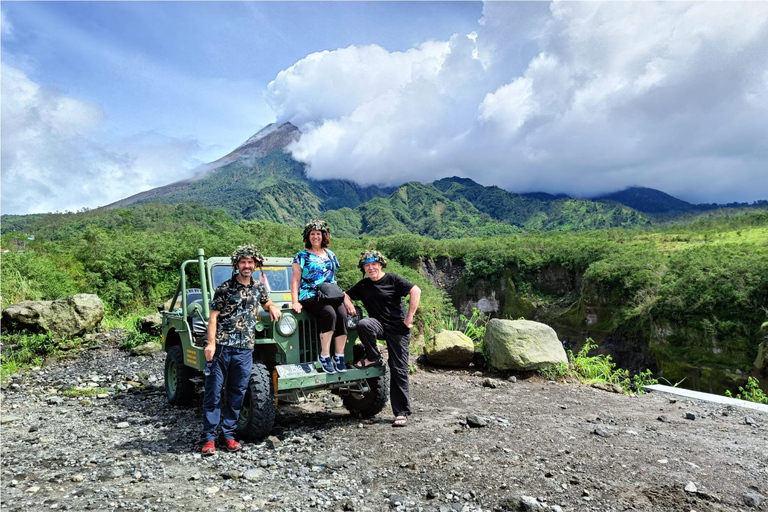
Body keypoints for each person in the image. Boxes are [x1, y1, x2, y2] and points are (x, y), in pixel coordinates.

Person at [202, 244, 281, 456]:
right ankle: (209, 439)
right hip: (222, 347)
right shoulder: (225, 288)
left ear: (255, 265)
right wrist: (210, 344)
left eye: (250, 262)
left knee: (237, 392)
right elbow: (213, 317)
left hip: (245, 348)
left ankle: (228, 435)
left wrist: (272, 307)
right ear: (237, 264)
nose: (247, 266)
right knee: (214, 392)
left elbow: (266, 301)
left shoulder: (258, 287)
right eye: (243, 262)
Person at [343, 250, 421, 427]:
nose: (371, 268)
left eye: (373, 265)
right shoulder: (364, 285)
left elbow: (415, 290)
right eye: (367, 266)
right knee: (363, 324)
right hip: (378, 326)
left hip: (397, 329)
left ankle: (401, 412)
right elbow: (345, 293)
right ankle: (373, 357)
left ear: (380, 265)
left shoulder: (393, 279)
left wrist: (409, 317)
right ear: (364, 268)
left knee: (398, 367)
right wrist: (347, 301)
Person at [291, 220, 350, 374]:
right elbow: (296, 279)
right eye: (312, 234)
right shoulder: (301, 256)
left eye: (318, 234)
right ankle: (324, 355)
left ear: (324, 236)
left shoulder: (330, 254)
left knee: (343, 315)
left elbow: (333, 278)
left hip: (330, 293)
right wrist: (295, 301)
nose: (315, 237)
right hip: (310, 293)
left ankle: (339, 355)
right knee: (329, 314)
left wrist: (345, 298)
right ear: (307, 236)